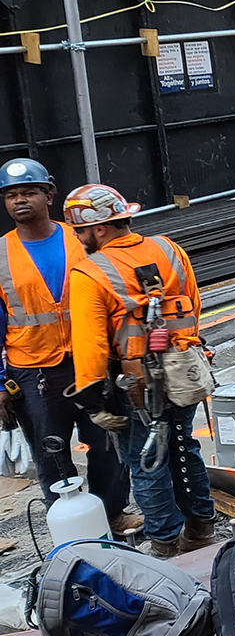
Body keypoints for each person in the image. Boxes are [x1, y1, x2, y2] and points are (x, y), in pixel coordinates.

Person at [65, 184, 215, 558]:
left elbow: (91, 344)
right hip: (184, 371)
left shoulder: (90, 273)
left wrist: (92, 400)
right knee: (184, 446)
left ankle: (165, 543)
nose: (79, 238)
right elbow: (194, 305)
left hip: (135, 383)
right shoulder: (168, 249)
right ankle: (200, 529)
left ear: (98, 228)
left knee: (146, 461)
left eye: (80, 231)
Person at [0, 160, 135, 534]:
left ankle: (112, 513)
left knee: (106, 441)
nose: (19, 200)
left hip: (92, 360)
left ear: (49, 194)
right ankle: (71, 523)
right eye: (11, 195)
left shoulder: (83, 240)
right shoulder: (0, 254)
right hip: (35, 370)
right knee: (51, 451)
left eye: (28, 192)